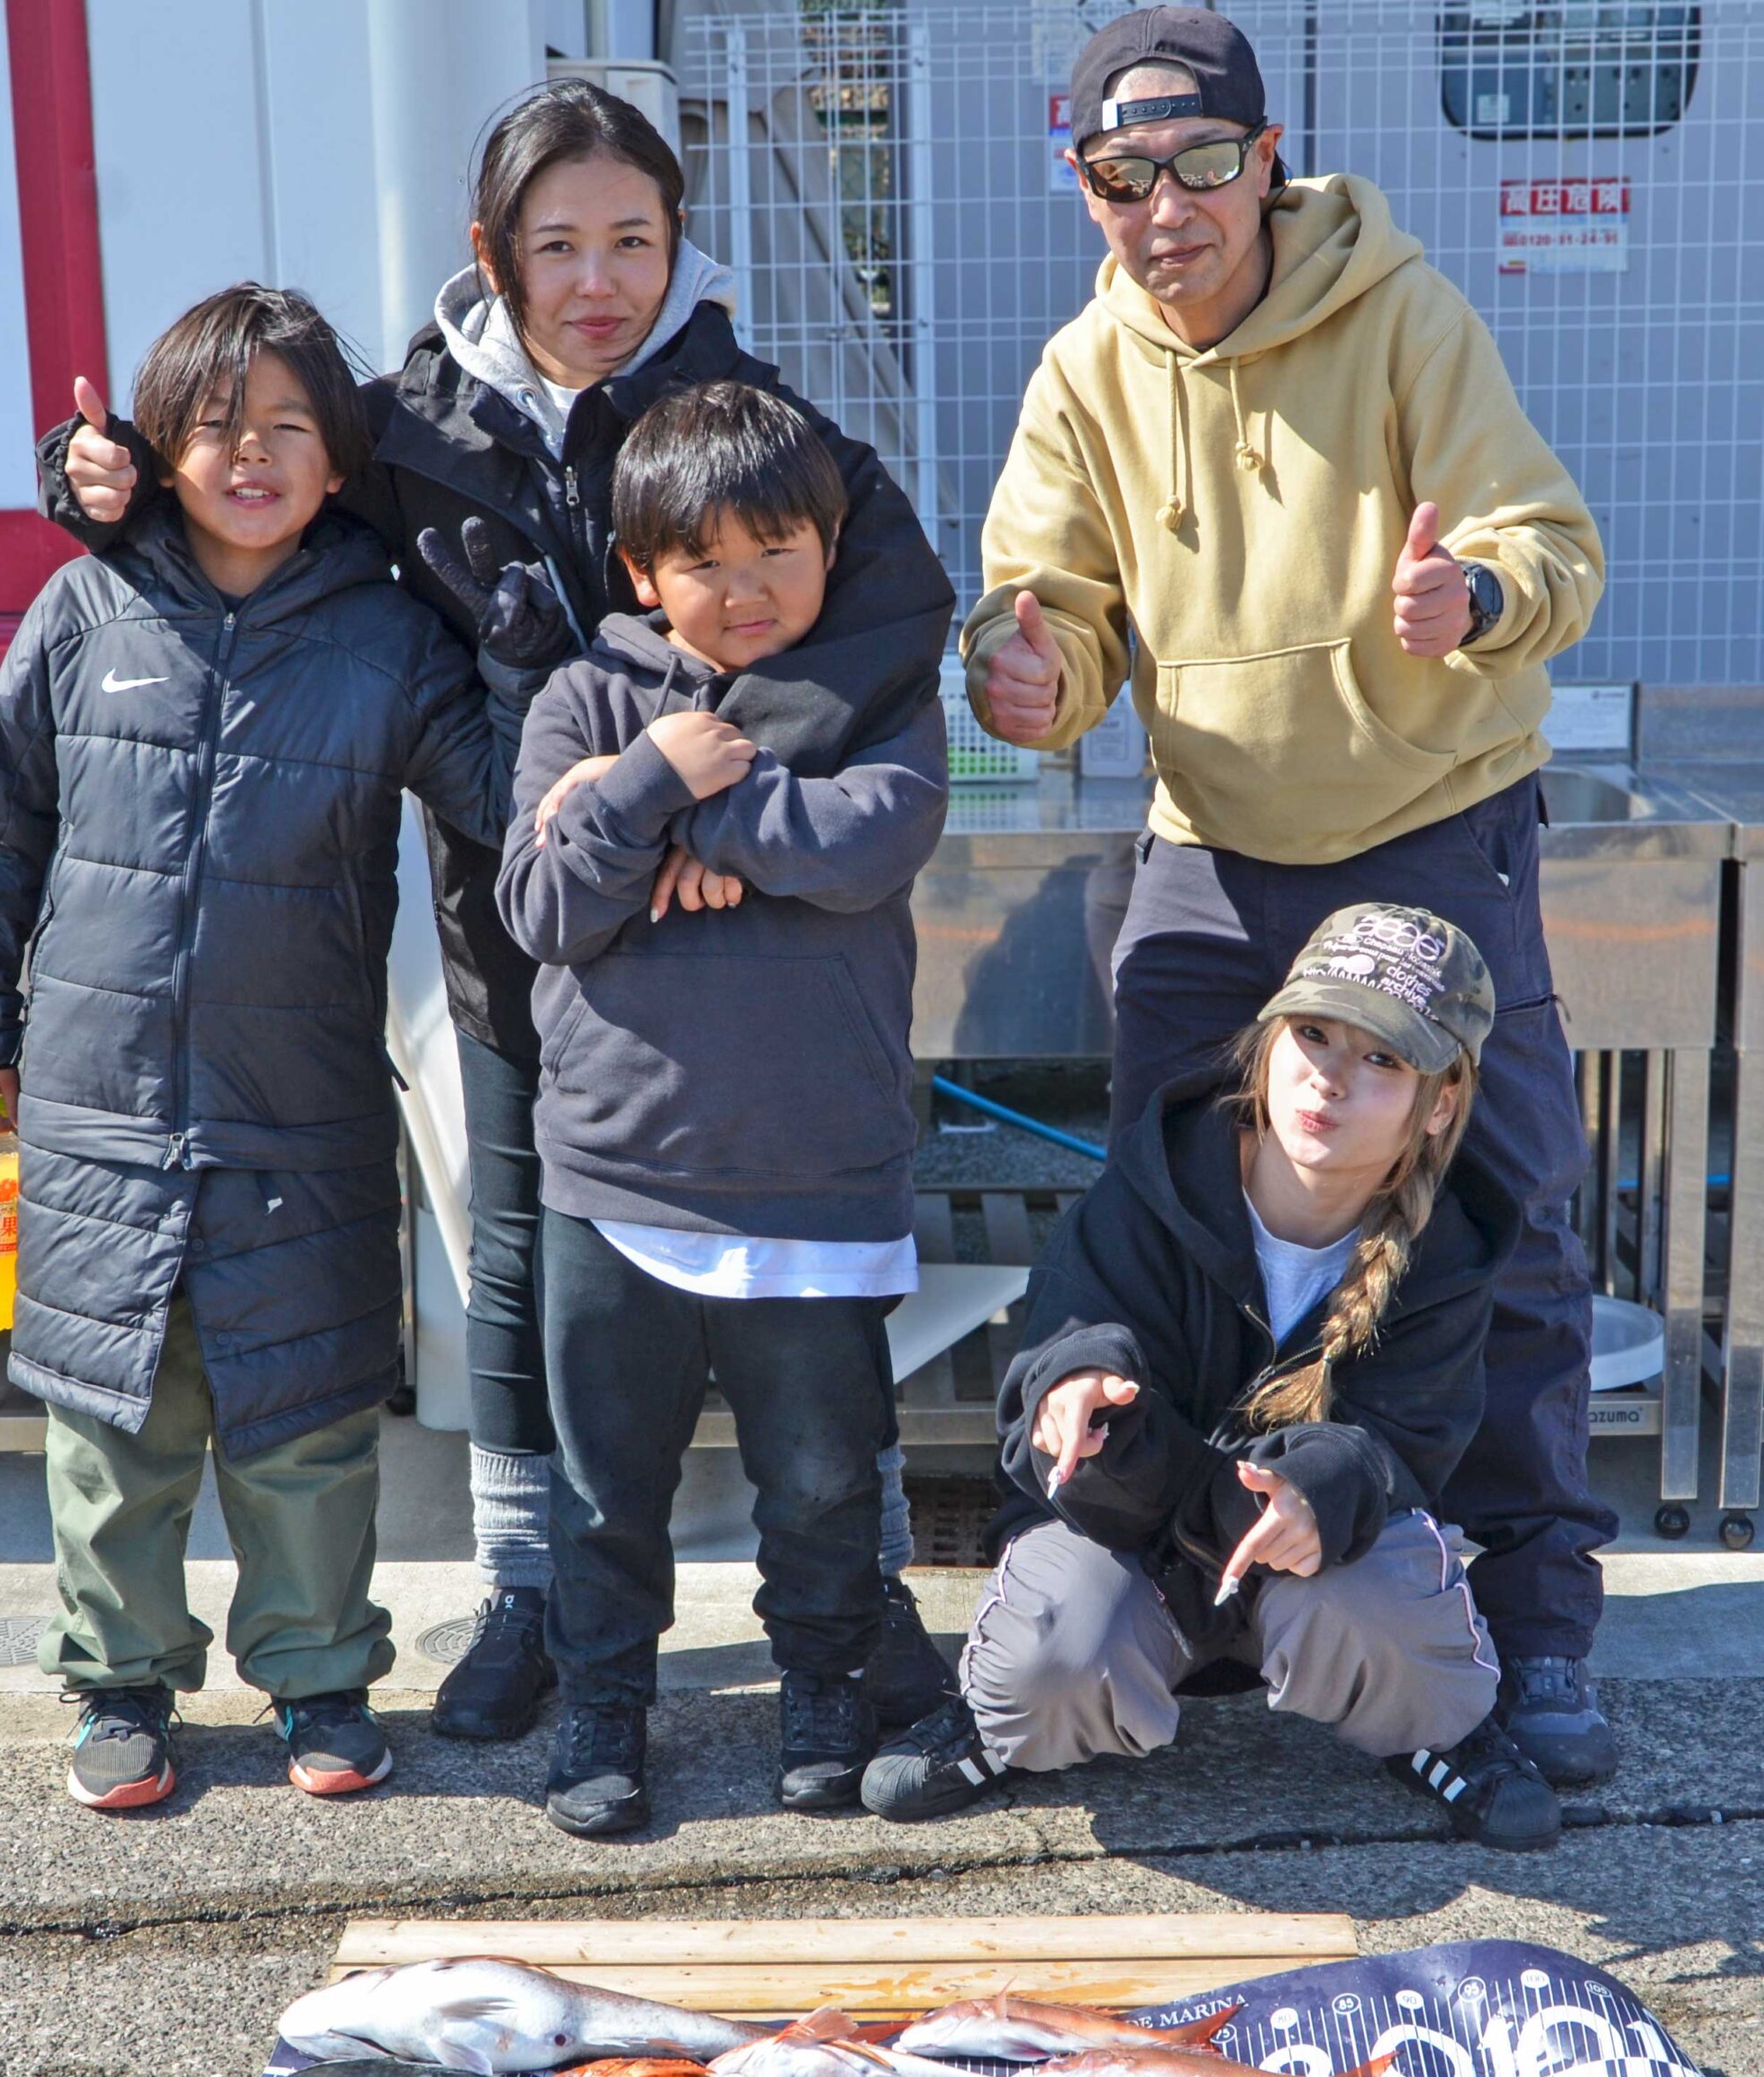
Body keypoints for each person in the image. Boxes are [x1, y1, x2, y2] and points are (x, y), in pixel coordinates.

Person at [36, 78, 958, 1744]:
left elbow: (890, 613)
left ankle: (855, 1610)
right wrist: (86, 478)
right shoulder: (407, 425)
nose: (597, 280)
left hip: (757, 939)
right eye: (558, 246)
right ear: (493, 254)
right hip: (526, 911)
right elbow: (250, 492)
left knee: (816, 1310)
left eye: (632, 241)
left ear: (678, 246)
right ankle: (535, 1602)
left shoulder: (743, 410)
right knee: (528, 1262)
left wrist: (720, 793)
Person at [962, 7, 1617, 1785]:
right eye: (1117, 175)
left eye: (1193, 163)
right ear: (1086, 189)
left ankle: (1535, 1620)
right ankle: (1188, 1576)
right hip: (1215, 844)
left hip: (1426, 821)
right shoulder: (1082, 371)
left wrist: (1467, 602)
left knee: (1510, 1221)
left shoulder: (1400, 312)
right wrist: (1030, 674)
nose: (1158, 206)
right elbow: (1052, 601)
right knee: (1166, 1193)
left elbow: (1547, 543)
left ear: (1262, 159)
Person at [0, 286, 514, 1810]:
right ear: (151, 447)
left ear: (340, 459)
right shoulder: (83, 609)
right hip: (95, 1095)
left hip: (299, 1096)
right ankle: (119, 1685)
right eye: (212, 426)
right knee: (111, 1424)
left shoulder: (390, 632)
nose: (249, 456)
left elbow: (504, 802)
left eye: (288, 428)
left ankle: (319, 1676)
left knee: (304, 1418)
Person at [864, 906, 1562, 1854]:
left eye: (1383, 1060)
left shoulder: (1450, 1251)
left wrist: (1317, 1488)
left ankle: (1434, 1733)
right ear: (1265, 1045)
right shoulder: (1146, 1188)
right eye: (1311, 1034)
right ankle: (1002, 1734)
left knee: (1395, 1620)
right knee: (1048, 1659)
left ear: (1436, 1105)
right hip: (1135, 1534)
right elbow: (1069, 1346)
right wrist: (1072, 1392)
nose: (1328, 1075)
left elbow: (1409, 1447)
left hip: (1313, 1561)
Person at [496, 380, 949, 1836]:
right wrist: (643, 784)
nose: (746, 591)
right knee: (600, 1489)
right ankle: (603, 1709)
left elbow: (871, 839)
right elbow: (539, 903)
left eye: (780, 552)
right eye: (706, 562)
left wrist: (693, 814)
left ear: (832, 545)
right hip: (615, 1181)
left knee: (820, 1488)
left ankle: (822, 1685)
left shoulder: (879, 695)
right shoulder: (583, 702)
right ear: (642, 572)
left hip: (815, 1177)